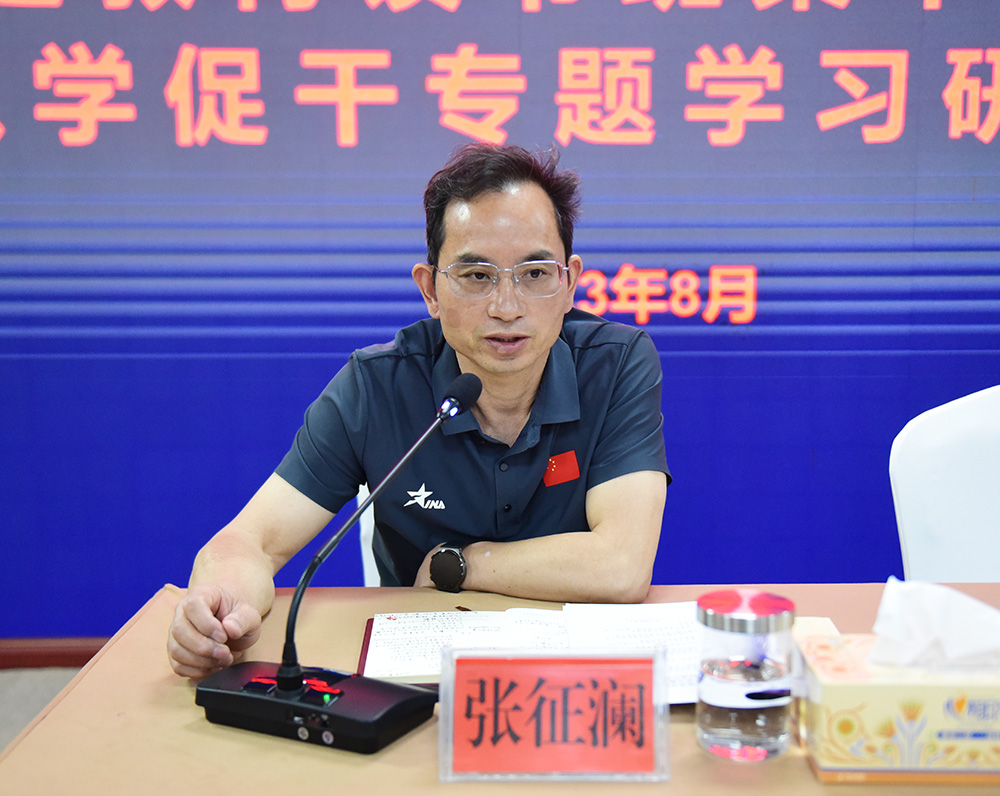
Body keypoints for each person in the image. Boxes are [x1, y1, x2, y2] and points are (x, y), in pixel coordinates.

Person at [167, 143, 670, 679]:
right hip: (420, 671)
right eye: (476, 276)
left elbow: (621, 566)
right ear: (430, 289)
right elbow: (251, 542)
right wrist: (219, 606)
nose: (507, 306)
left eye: (534, 273)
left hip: (575, 672)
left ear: (569, 283)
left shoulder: (616, 364)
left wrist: (461, 564)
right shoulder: (376, 387)